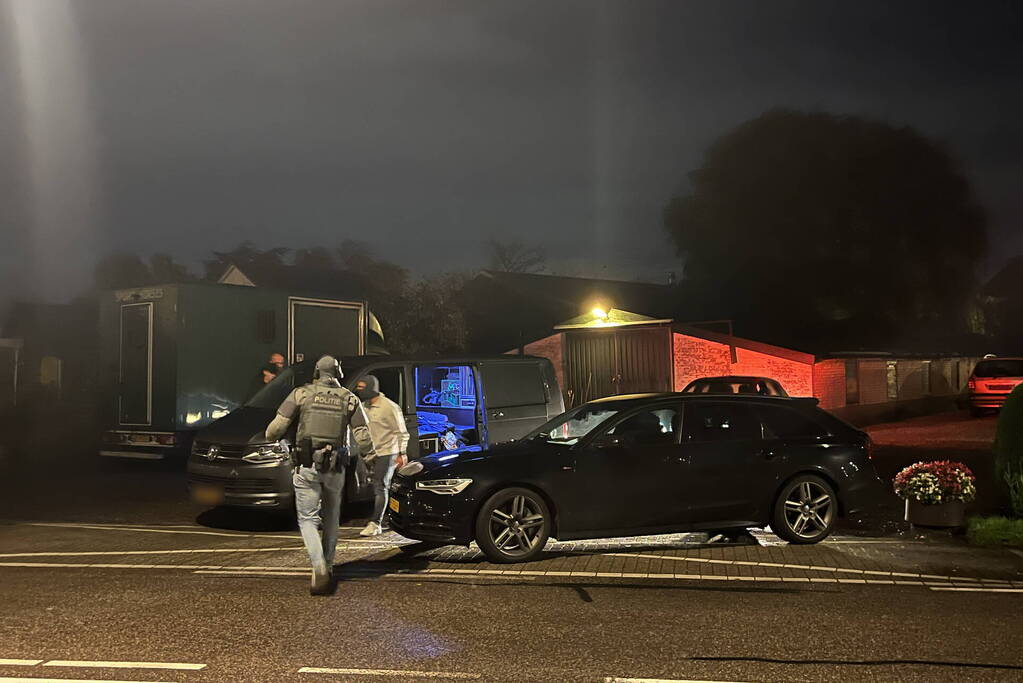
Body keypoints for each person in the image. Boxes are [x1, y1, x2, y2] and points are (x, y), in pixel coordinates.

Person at [265, 355, 374, 595]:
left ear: (317, 371)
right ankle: (329, 564)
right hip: (335, 467)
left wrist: (271, 438)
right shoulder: (350, 398)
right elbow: (363, 435)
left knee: (307, 519)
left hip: (306, 465)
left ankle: (318, 567)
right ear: (339, 372)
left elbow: (277, 427)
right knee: (332, 517)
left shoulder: (301, 394)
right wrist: (371, 460)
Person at [354, 374, 409, 537]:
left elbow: (401, 432)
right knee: (375, 486)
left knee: (380, 485)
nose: (359, 391)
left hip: (387, 452)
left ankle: (375, 523)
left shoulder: (389, 407)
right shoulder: (363, 407)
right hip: (370, 452)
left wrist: (402, 453)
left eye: (362, 387)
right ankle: (389, 516)